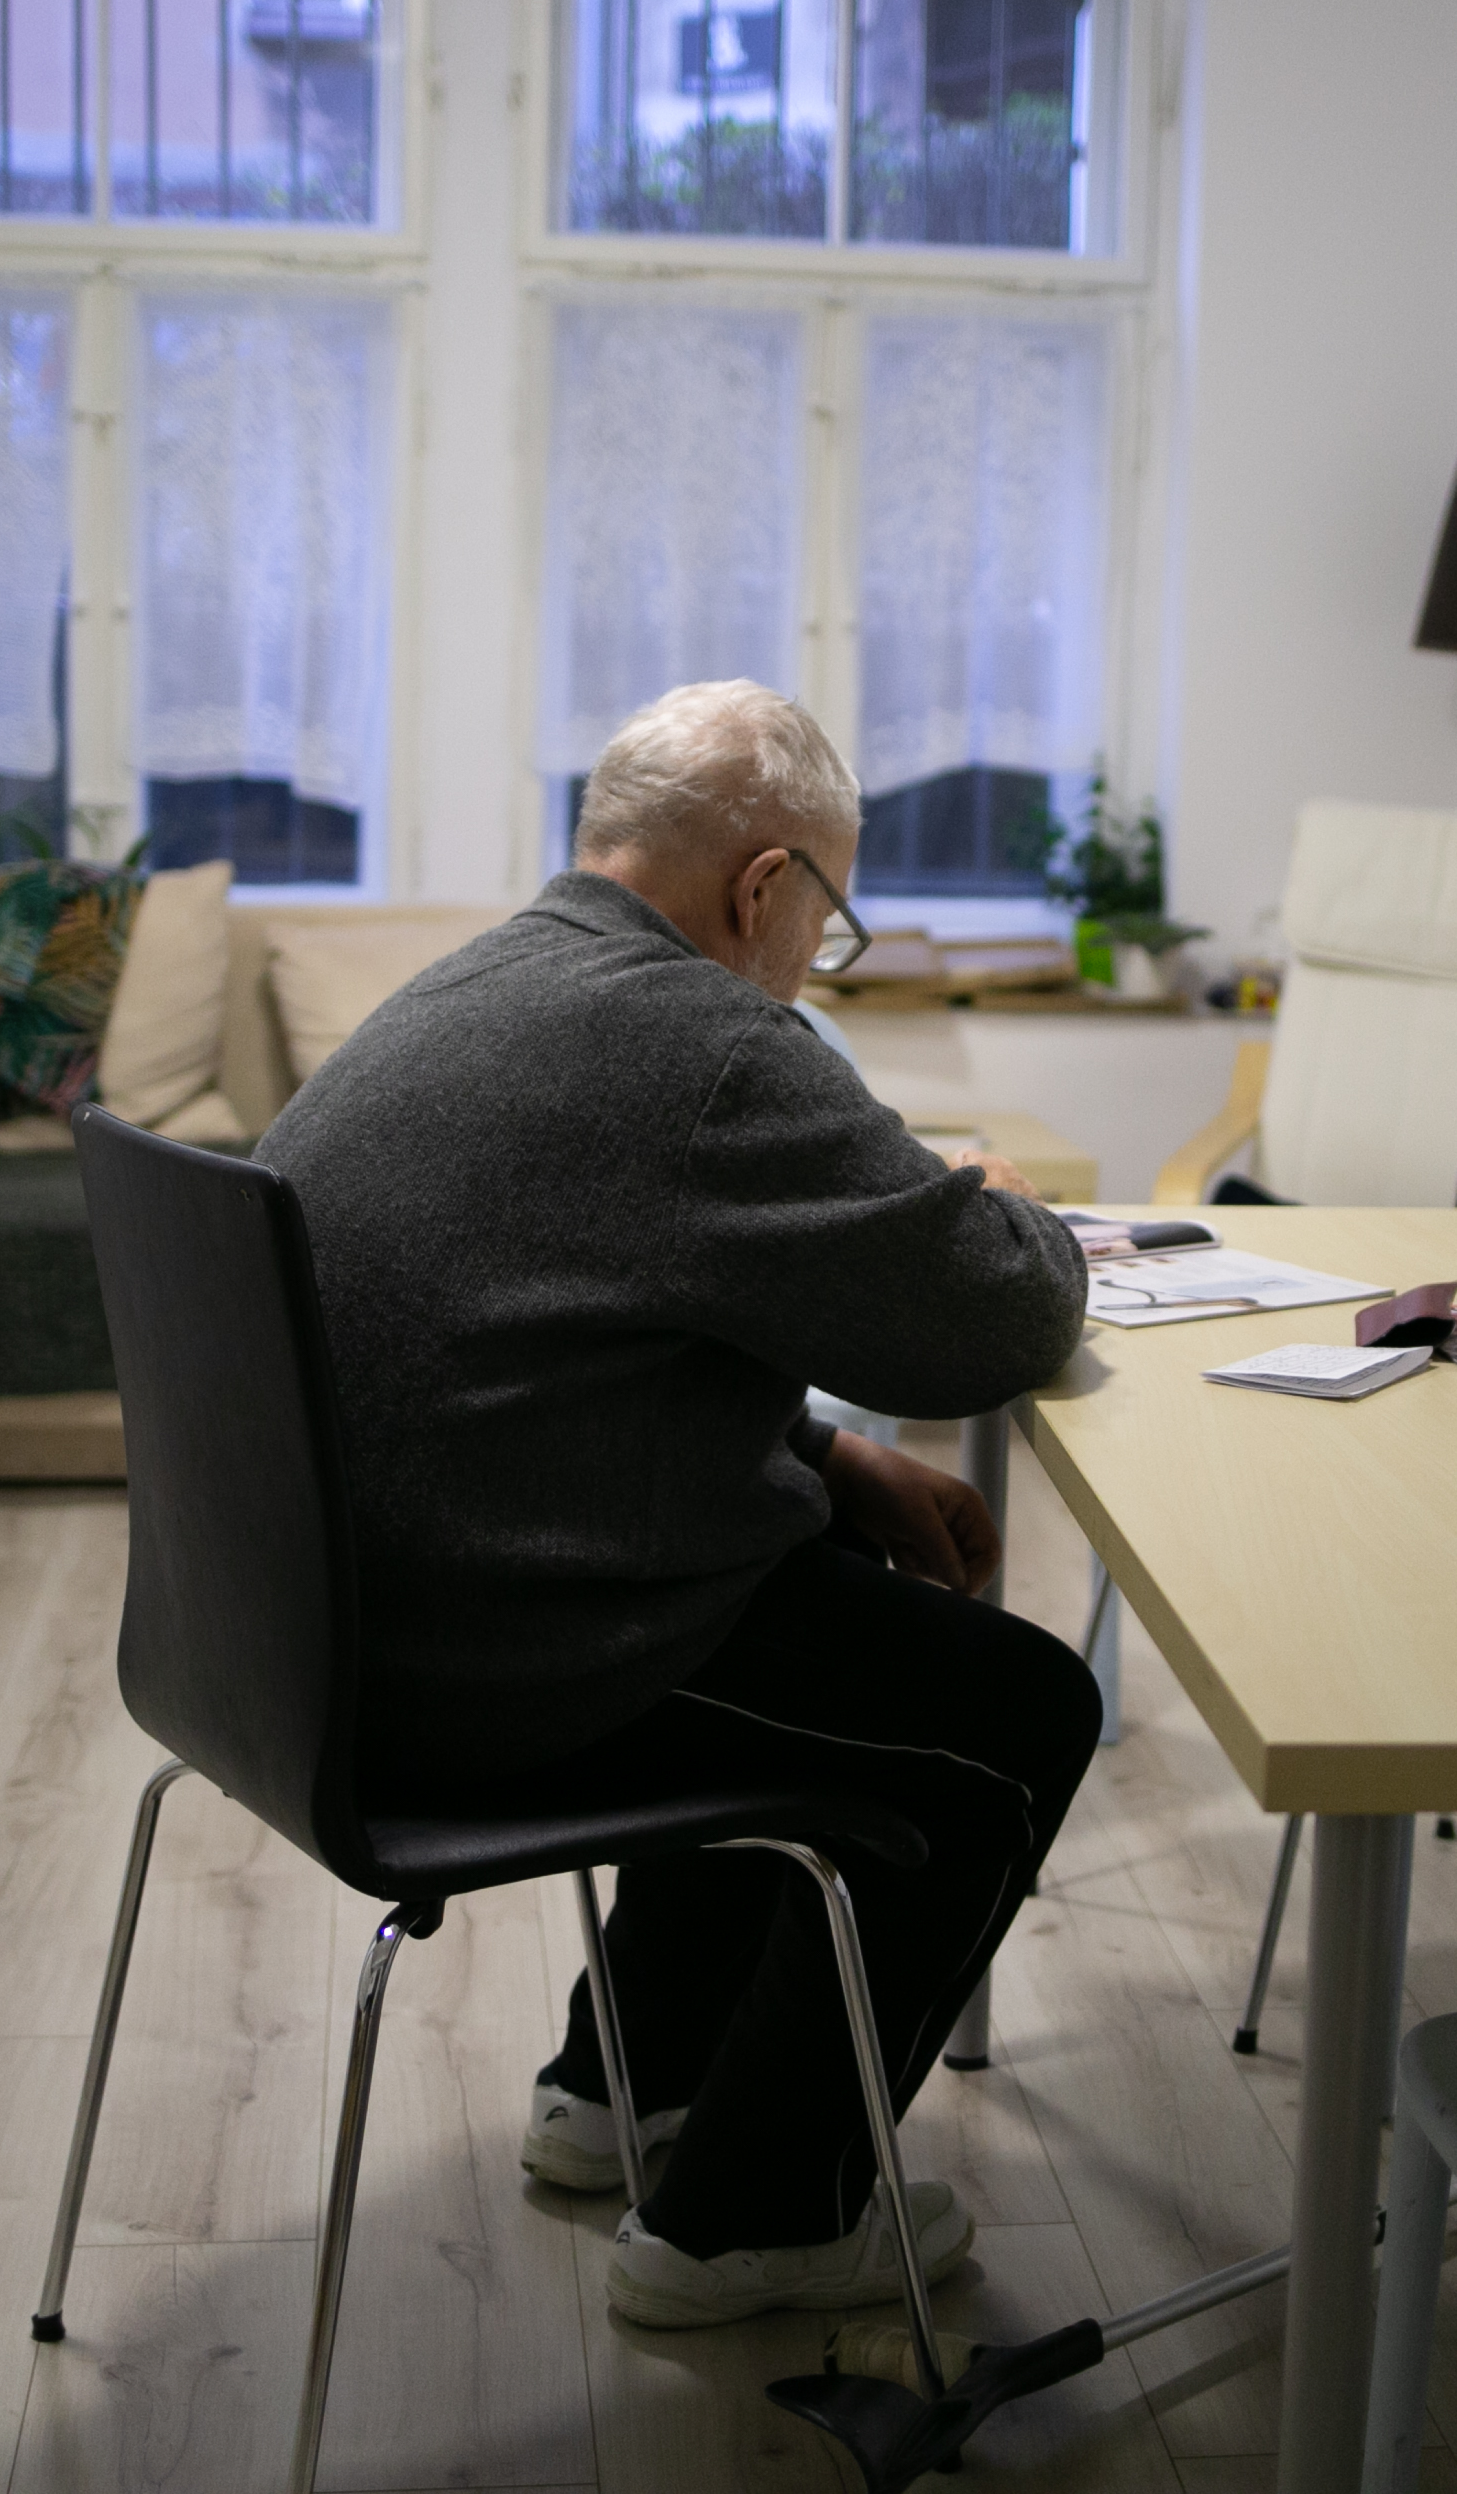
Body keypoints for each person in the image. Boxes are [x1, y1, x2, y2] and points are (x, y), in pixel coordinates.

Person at [253, 678, 1101, 2329]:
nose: (813, 956)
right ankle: (752, 2222)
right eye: (827, 918)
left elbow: (562, 1339)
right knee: (1014, 1716)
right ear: (765, 885)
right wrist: (1004, 1201)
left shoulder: (480, 980)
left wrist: (830, 1463)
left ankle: (620, 2088)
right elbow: (993, 1317)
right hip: (486, 1661)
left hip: (319, 1638)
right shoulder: (706, 1045)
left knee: (792, 1575)